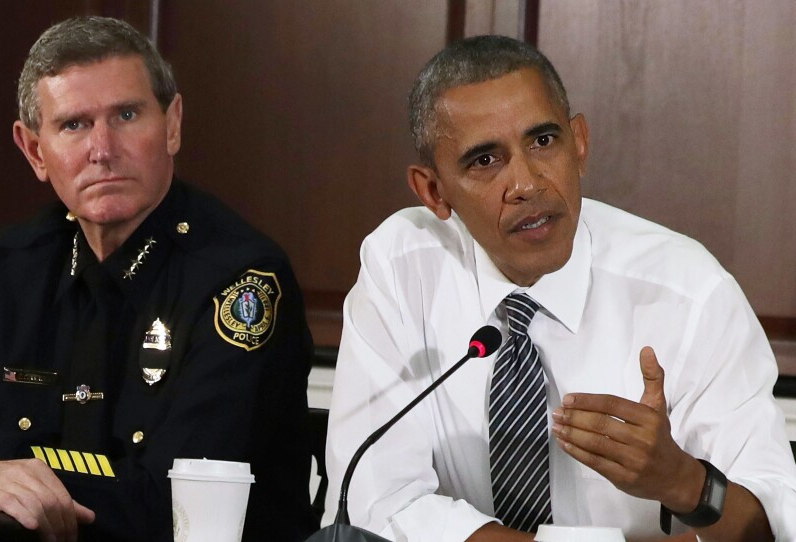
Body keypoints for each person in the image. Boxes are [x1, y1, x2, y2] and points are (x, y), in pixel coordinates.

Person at [324, 35, 796, 541]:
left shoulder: (689, 292)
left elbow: (774, 524)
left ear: (581, 144)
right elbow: (372, 506)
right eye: (485, 161)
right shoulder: (402, 267)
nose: (526, 183)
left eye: (543, 142)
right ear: (434, 191)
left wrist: (681, 480)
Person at [0, 16, 317, 542]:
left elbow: (178, 510)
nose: (102, 149)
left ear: (172, 124)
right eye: (74, 125)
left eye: (126, 115)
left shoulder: (241, 282)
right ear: (35, 150)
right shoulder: (5, 270)